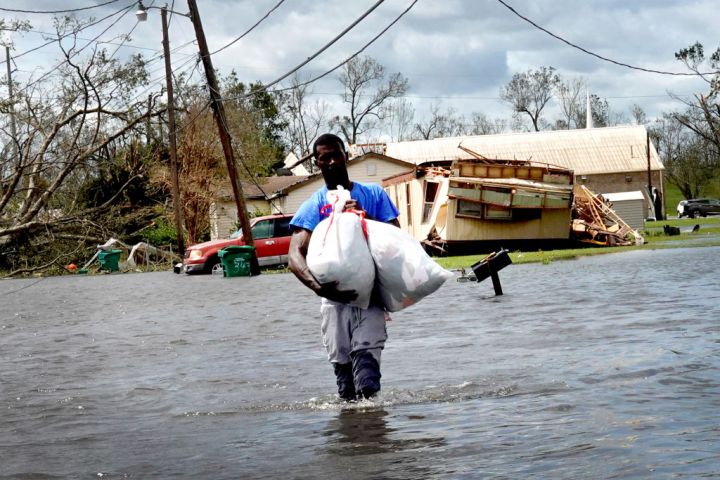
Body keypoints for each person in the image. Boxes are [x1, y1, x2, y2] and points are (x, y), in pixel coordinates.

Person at [288, 133, 400, 402]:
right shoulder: (315, 205)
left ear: (345, 156)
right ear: (317, 164)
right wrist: (319, 288)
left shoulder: (372, 195)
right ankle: (352, 433)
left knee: (368, 378)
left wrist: (364, 215)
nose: (330, 162)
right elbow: (294, 256)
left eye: (335, 154)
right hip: (333, 301)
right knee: (345, 386)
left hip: (370, 298)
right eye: (323, 158)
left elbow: (396, 237)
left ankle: (372, 434)